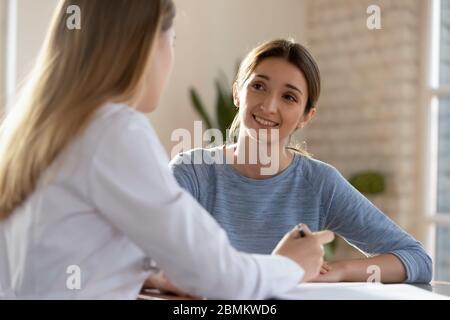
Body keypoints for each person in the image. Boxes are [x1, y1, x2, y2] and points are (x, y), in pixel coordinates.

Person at [0, 1, 334, 300]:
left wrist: (150, 272)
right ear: (144, 47)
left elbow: (67, 248)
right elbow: (222, 277)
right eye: (171, 43)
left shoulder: (25, 132)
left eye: (289, 97)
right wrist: (289, 265)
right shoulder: (115, 131)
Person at [169, 39, 432, 285]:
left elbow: (417, 259)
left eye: (289, 97)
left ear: (306, 116)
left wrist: (341, 270)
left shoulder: (318, 183)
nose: (269, 106)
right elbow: (144, 256)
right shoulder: (192, 173)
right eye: (258, 86)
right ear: (238, 92)